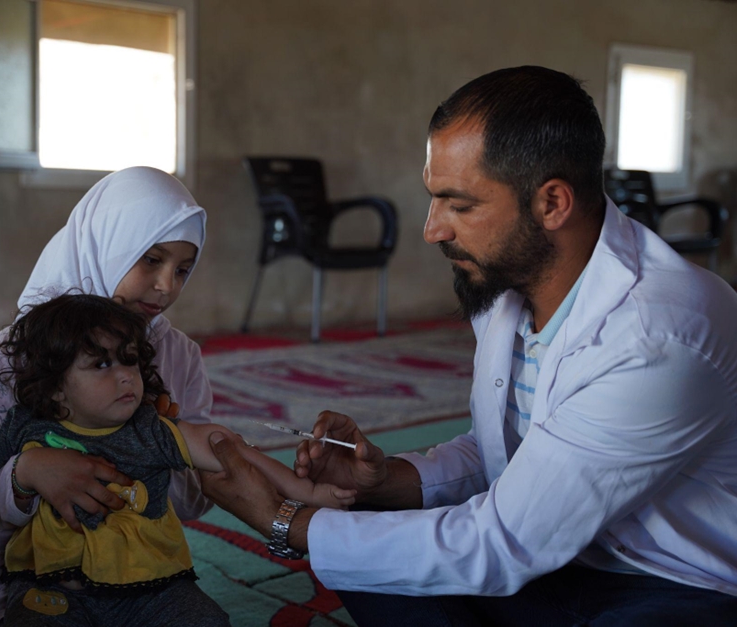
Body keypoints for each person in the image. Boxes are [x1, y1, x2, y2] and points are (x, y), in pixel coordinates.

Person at [199, 66, 737, 626]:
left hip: (674, 581)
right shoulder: (509, 289)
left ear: (552, 203)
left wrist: (285, 520)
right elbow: (507, 450)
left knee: (362, 550)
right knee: (379, 568)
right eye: (434, 200)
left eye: (459, 205)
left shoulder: (658, 333)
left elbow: (504, 542)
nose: (433, 229)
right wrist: (386, 484)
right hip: (562, 562)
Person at [0, 293, 354, 623]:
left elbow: (226, 446)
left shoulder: (151, 429)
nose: (124, 375)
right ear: (55, 387)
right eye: (101, 363)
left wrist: (305, 489)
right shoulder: (23, 429)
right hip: (52, 587)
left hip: (152, 589)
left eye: (130, 359)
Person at [0, 166, 219, 626]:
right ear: (105, 244)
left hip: (140, 571)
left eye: (182, 269)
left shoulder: (178, 356)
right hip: (34, 569)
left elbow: (191, 503)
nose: (167, 286)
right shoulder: (16, 352)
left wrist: (167, 446)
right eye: (150, 260)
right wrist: (29, 472)